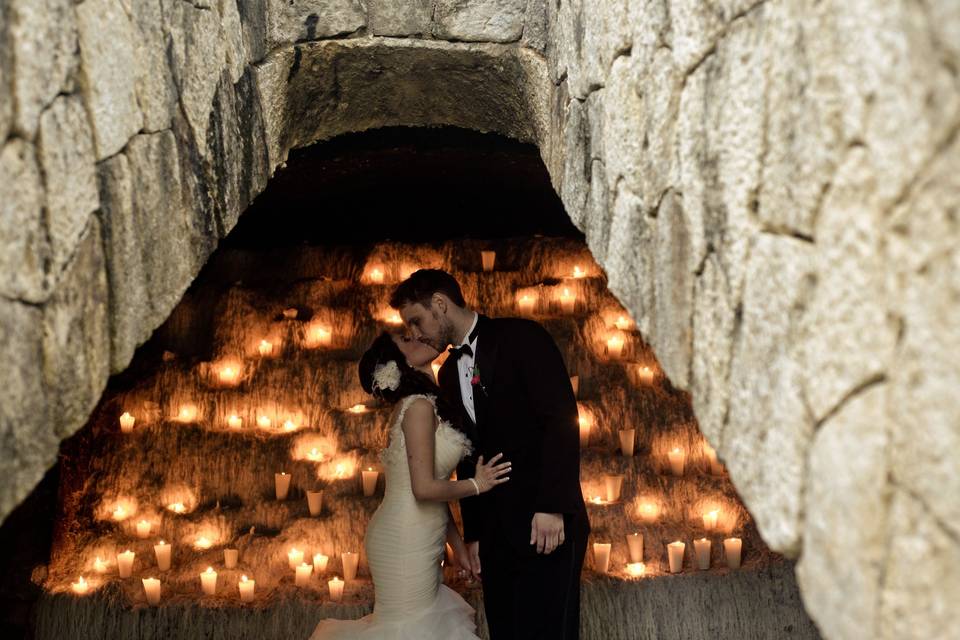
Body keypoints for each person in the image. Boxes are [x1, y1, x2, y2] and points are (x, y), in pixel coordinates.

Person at [390, 269, 590, 640]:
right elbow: (468, 455)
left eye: (416, 320)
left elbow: (561, 420)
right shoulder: (448, 373)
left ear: (440, 305)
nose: (415, 333)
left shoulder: (522, 337)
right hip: (496, 537)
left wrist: (552, 507)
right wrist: (475, 534)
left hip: (544, 525)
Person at [309, 331, 511, 640]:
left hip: (420, 534)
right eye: (406, 339)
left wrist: (458, 548)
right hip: (404, 538)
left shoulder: (425, 403)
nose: (417, 336)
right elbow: (424, 490)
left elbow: (433, 491)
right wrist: (477, 484)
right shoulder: (417, 407)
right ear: (400, 362)